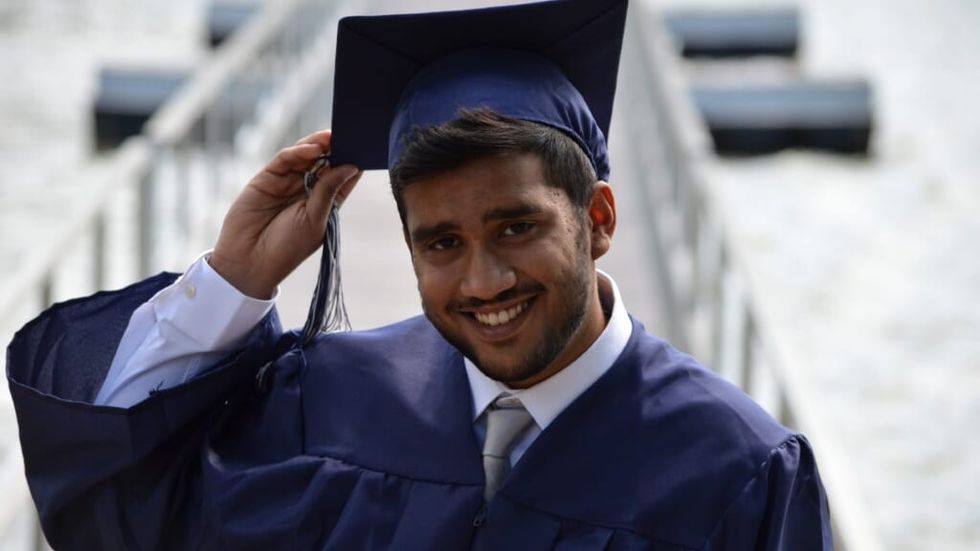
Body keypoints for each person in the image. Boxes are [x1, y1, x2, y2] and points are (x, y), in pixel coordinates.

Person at [7, 0, 832, 549]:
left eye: (517, 226)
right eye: (440, 243)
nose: (483, 280)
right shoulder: (327, 399)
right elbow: (122, 503)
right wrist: (233, 282)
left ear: (601, 220)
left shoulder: (741, 468)